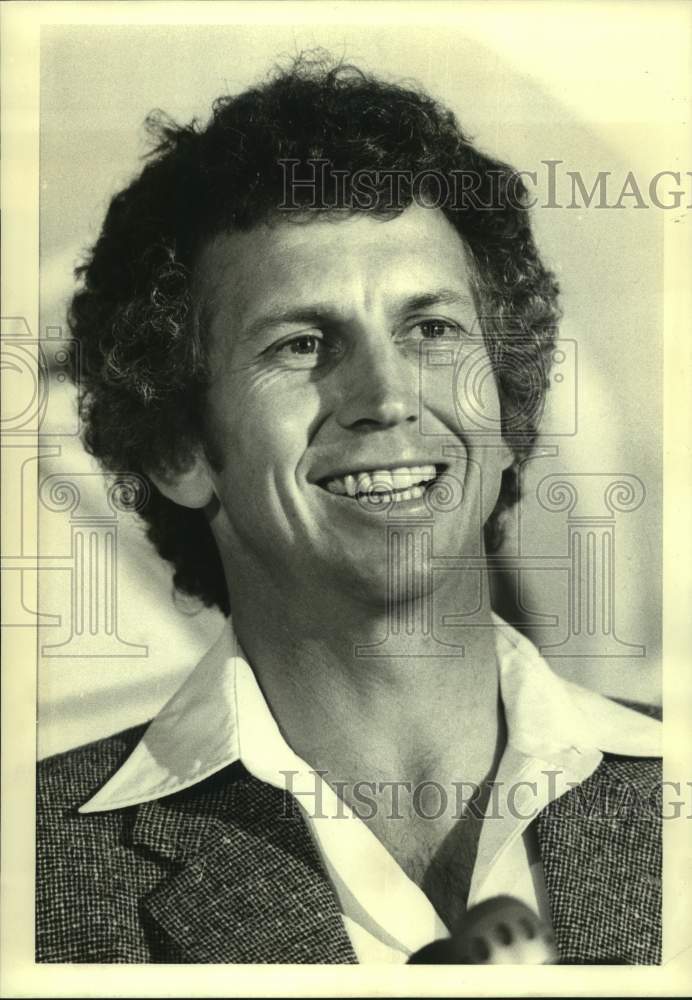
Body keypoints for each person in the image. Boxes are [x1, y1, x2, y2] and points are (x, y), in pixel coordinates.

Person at [36, 55, 661, 965]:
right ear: (179, 449)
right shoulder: (37, 880)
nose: (388, 396)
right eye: (300, 343)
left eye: (432, 329)